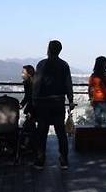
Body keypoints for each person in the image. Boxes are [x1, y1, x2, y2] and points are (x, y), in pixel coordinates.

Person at [32, 40, 75, 170]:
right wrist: (70, 99)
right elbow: (68, 83)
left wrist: (34, 99)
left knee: (42, 131)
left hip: (43, 102)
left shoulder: (42, 64)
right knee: (60, 132)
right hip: (58, 102)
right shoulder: (64, 65)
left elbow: (37, 83)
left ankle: (40, 160)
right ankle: (63, 160)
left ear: (48, 49)